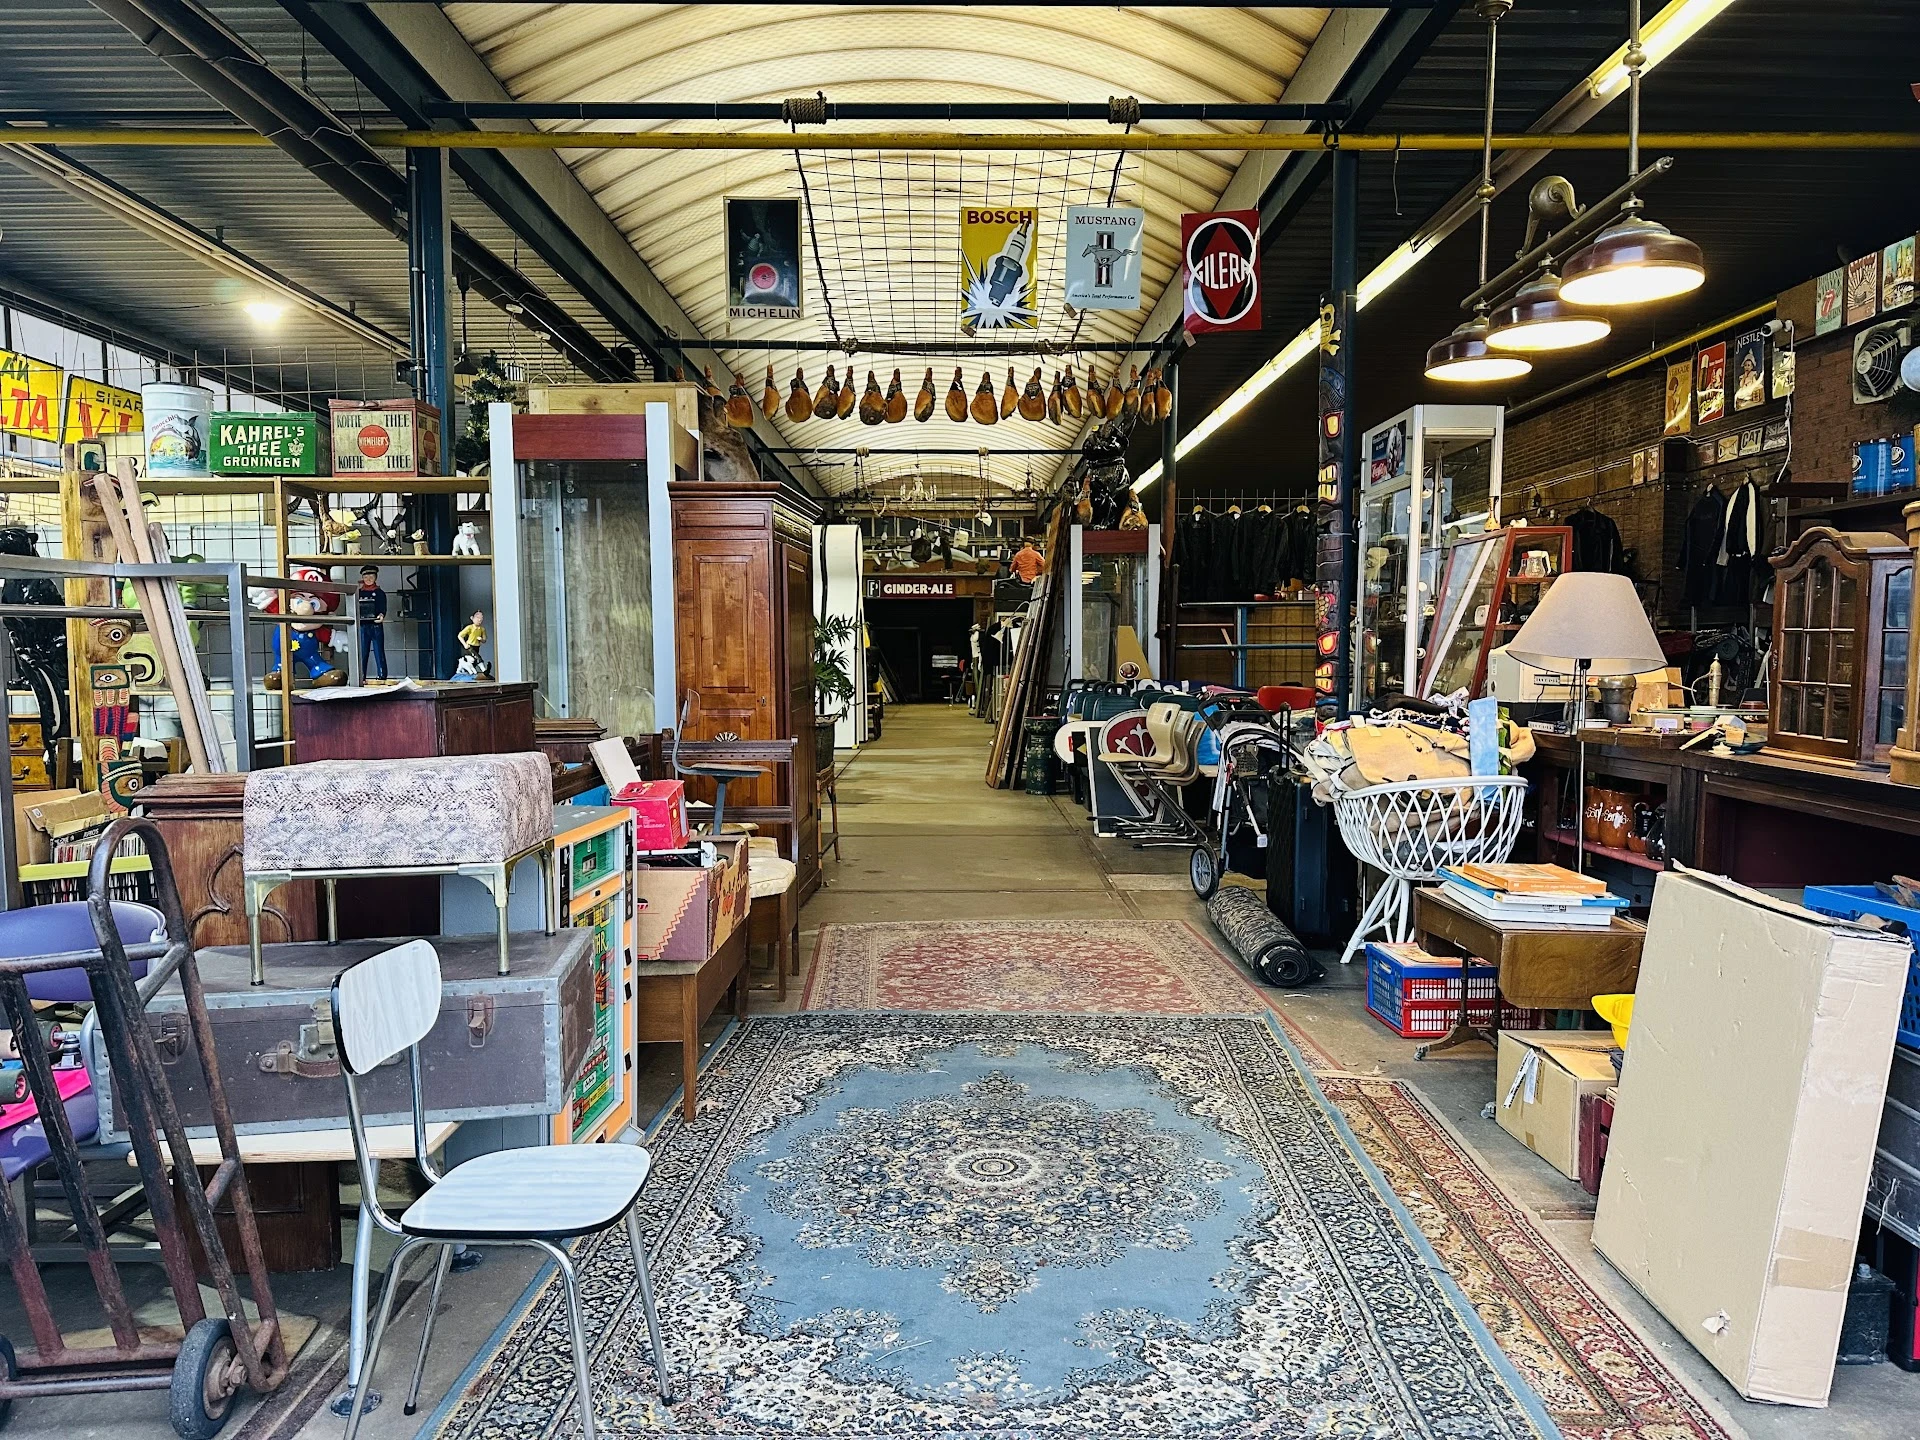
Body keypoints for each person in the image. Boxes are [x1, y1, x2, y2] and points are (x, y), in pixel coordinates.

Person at [356, 565, 388, 681]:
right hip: (363, 626)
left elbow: (382, 607)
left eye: (371, 576)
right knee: (362, 652)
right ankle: (361, 676)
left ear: (375, 577)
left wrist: (381, 615)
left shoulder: (379, 593)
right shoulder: (358, 593)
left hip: (376, 625)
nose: (368, 578)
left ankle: (382, 675)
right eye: (366, 576)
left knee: (379, 651)